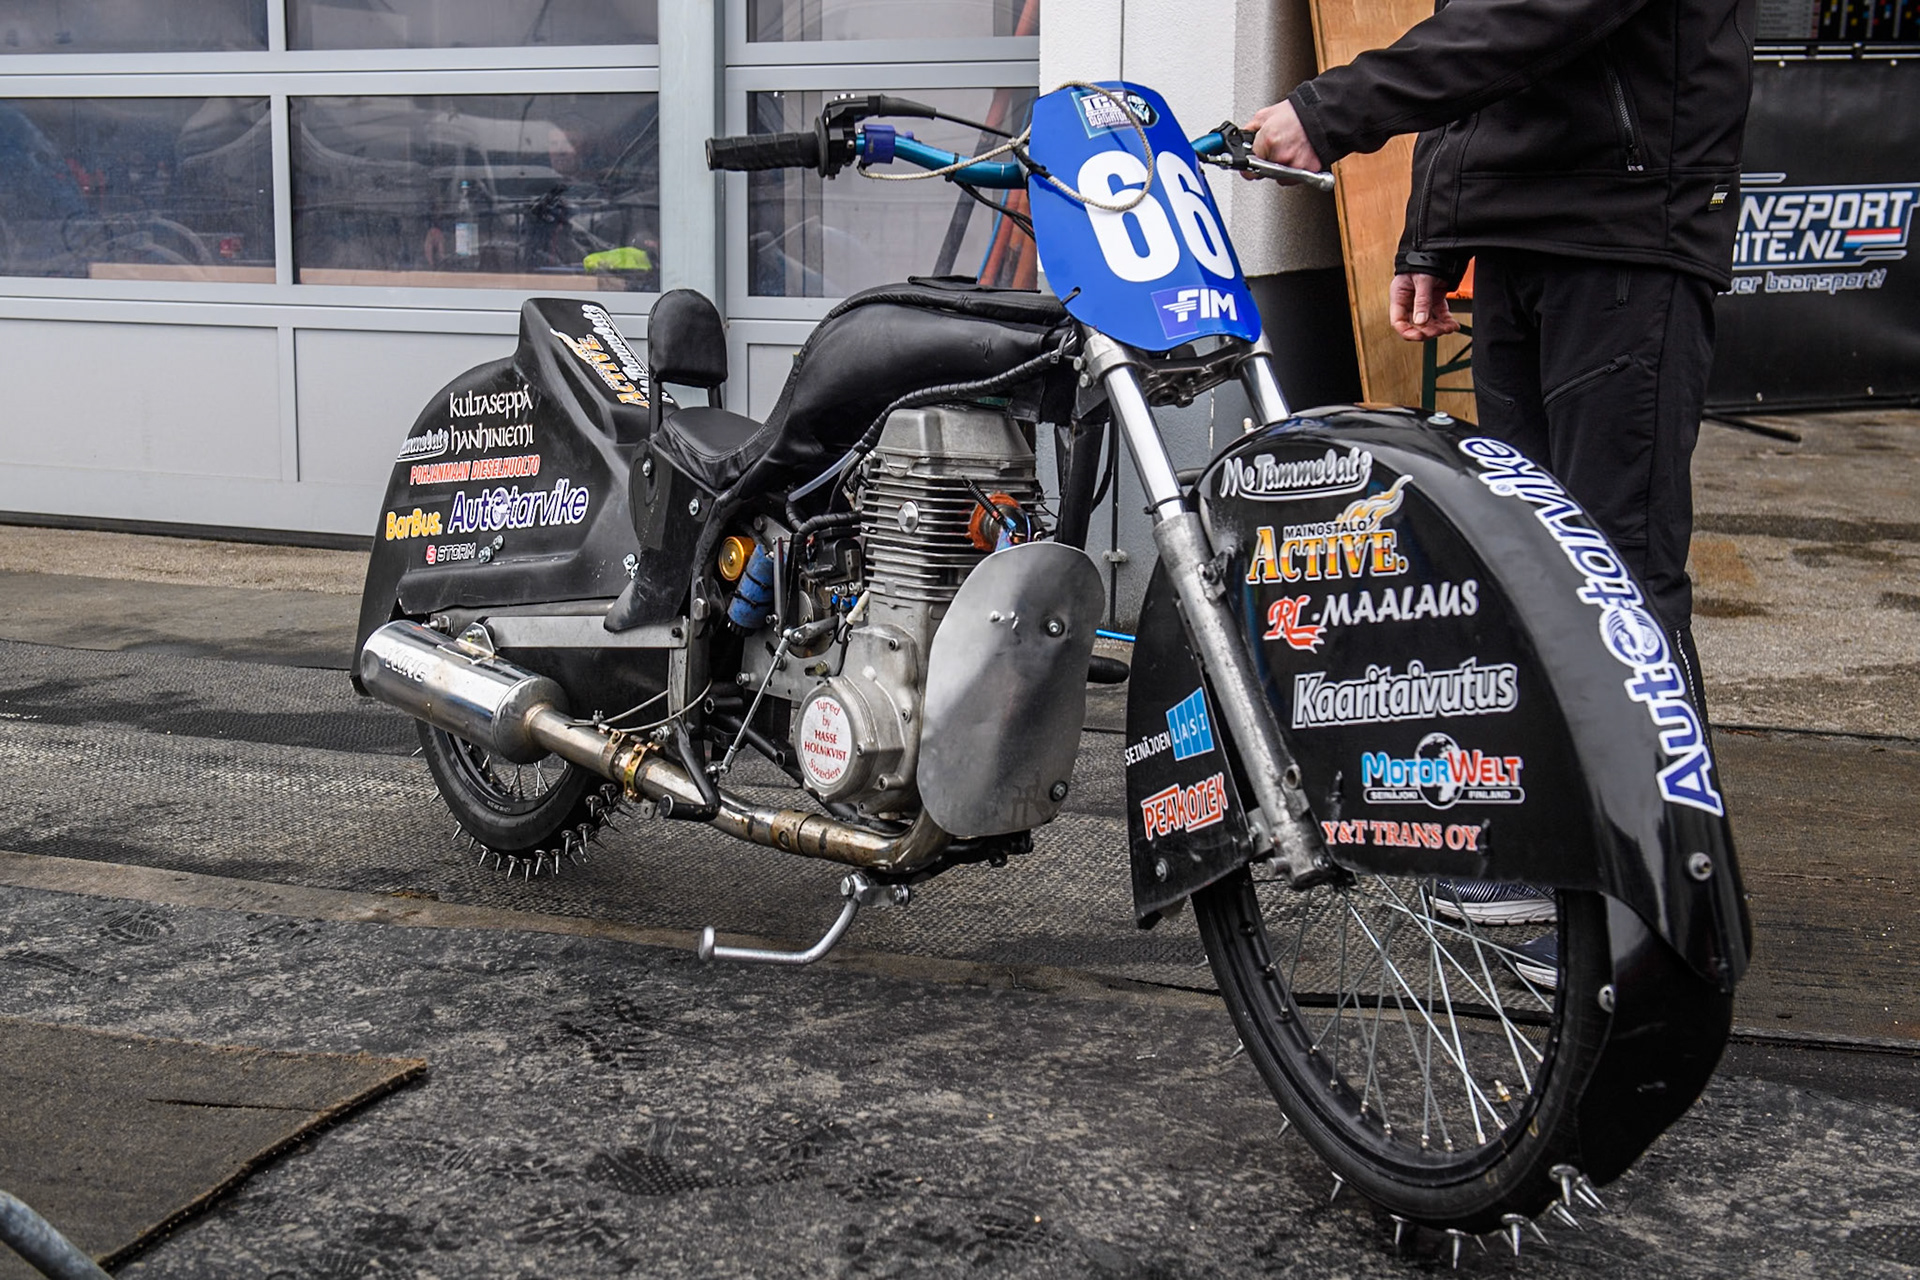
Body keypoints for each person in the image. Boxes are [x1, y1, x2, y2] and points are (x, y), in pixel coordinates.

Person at [1243, 0, 1755, 963]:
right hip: (1530, 233)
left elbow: (1537, 15)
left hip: (1625, 235)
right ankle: (1551, 856)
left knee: (1618, 575)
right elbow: (1483, 40)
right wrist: (1435, 232)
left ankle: (1657, 902)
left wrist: (1331, 110)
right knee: (1531, 569)